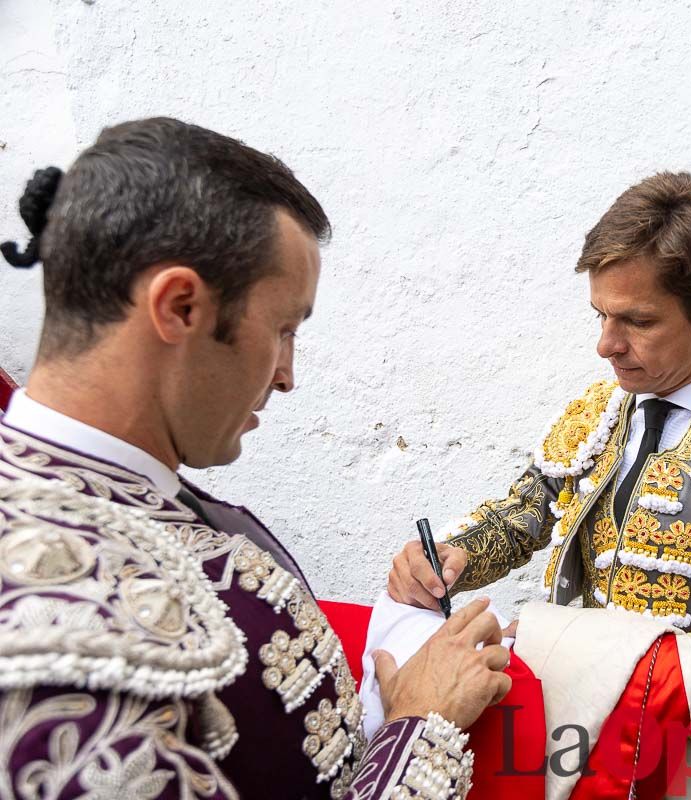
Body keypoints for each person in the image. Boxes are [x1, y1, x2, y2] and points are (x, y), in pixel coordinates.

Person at [0, 117, 510, 799]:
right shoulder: (56, 635)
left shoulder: (128, 494)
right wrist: (422, 727)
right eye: (283, 329)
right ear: (180, 307)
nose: (287, 373)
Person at [389, 171, 691, 797]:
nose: (605, 345)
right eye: (600, 315)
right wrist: (452, 556)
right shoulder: (599, 414)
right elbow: (525, 513)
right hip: (571, 747)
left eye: (636, 321)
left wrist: (573, 657)